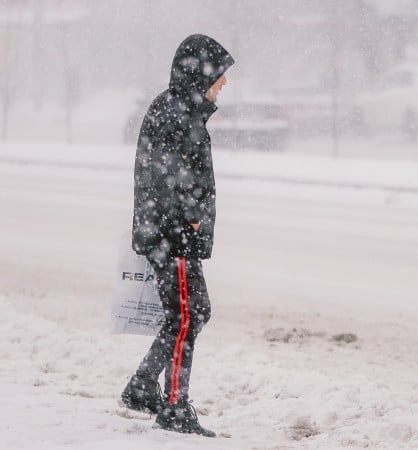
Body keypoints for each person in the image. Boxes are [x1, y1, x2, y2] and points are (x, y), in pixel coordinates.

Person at [120, 34, 234, 437]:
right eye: (219, 76)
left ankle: (140, 386)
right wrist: (190, 222)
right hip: (174, 236)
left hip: (170, 233)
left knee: (190, 312)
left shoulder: (179, 109)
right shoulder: (178, 114)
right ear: (197, 72)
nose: (223, 84)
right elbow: (166, 178)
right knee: (188, 314)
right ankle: (174, 406)